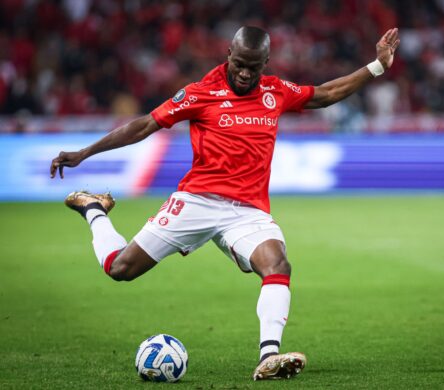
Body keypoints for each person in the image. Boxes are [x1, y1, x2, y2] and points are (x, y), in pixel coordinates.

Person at [50, 26, 400, 380]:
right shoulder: (201, 93)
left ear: (265, 62)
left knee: (277, 263)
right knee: (120, 269)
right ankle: (93, 208)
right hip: (197, 201)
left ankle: (269, 356)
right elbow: (144, 125)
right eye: (239, 64)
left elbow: (325, 93)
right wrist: (85, 152)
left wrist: (377, 66)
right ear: (228, 55)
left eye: (254, 66)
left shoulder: (274, 91)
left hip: (247, 211)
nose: (246, 73)